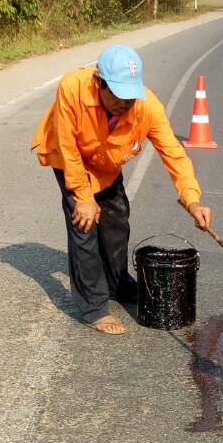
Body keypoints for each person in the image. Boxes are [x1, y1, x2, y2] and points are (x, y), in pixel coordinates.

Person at [31, 45, 212, 335]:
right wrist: (84, 197)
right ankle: (93, 305)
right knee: (84, 225)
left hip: (107, 164)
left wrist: (192, 200)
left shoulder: (148, 108)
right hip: (70, 159)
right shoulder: (72, 88)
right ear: (99, 82)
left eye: (130, 95)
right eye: (116, 94)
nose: (124, 103)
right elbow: (67, 145)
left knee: (117, 222)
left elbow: (173, 153)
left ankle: (116, 282)